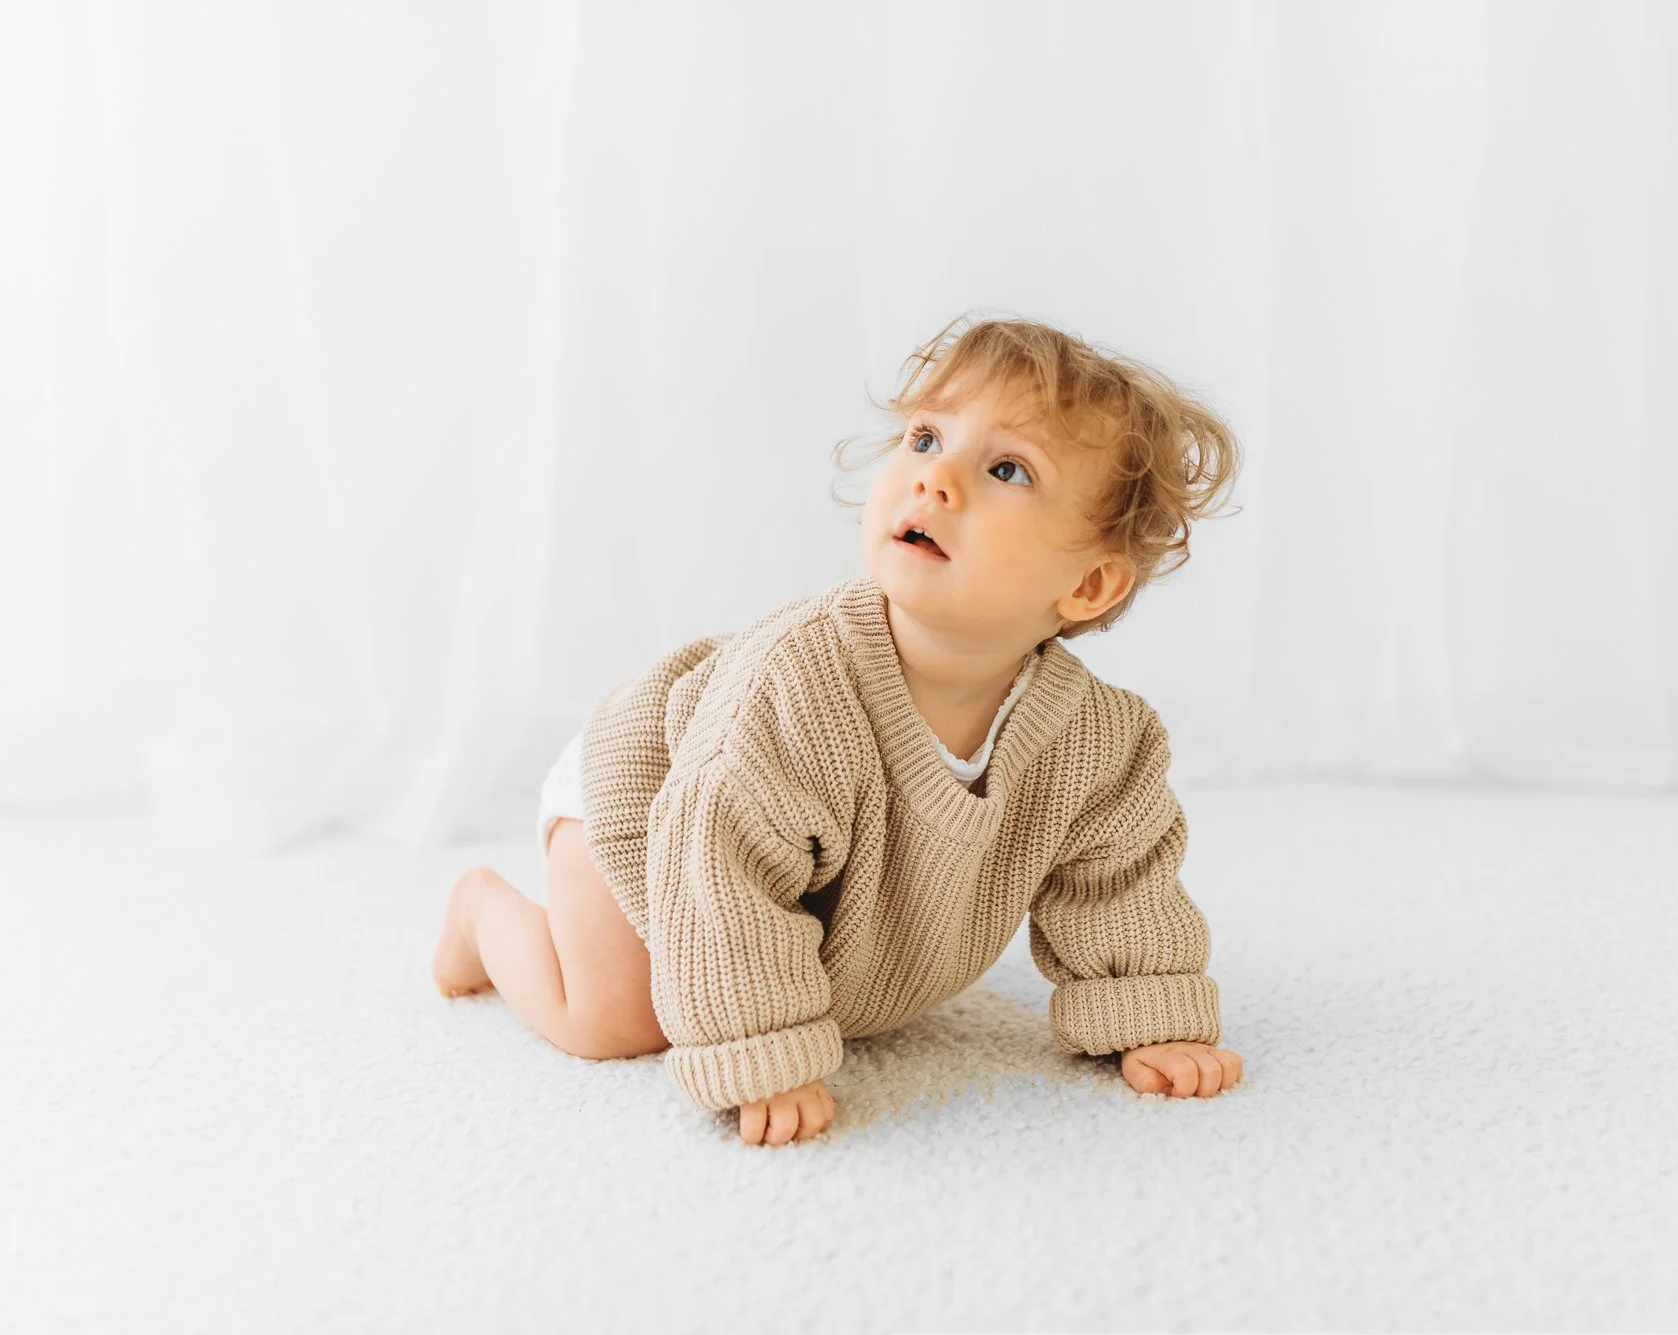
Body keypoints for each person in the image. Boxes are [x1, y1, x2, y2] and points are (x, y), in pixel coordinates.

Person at [433, 313, 1247, 1146]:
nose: (936, 480)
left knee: (808, 966)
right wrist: (761, 1042)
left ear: (1089, 584)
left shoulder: (1098, 742)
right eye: (926, 438)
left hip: (766, 855)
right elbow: (721, 860)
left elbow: (1121, 880)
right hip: (653, 801)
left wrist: (1144, 1007)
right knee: (615, 1018)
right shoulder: (792, 691)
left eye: (1006, 468)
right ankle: (482, 917)